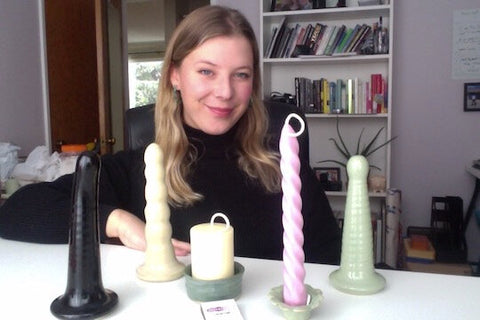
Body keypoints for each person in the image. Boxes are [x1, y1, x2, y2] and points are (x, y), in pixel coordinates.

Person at [0, 5, 341, 264]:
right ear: (175, 76)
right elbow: (17, 212)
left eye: (240, 75)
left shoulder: (288, 173)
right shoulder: (138, 169)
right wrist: (115, 222)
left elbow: (330, 262)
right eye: (206, 71)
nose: (224, 92)